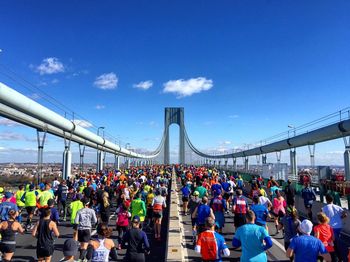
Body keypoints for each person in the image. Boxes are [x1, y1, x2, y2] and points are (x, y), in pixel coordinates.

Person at [322, 193, 347, 261]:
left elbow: (322, 218)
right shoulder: (337, 207)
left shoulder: (324, 208)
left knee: (332, 243)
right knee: (337, 241)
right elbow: (345, 214)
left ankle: (336, 256)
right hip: (338, 226)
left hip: (330, 227)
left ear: (326, 200)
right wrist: (340, 218)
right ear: (333, 199)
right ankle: (339, 256)